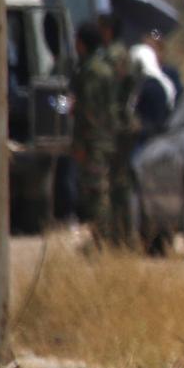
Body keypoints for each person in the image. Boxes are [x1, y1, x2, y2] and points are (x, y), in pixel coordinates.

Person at [72, 20, 131, 246]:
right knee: (112, 187)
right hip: (108, 137)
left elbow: (89, 109)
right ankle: (115, 236)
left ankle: (104, 240)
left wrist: (80, 142)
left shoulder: (92, 71)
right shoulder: (104, 66)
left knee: (97, 191)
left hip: (96, 140)